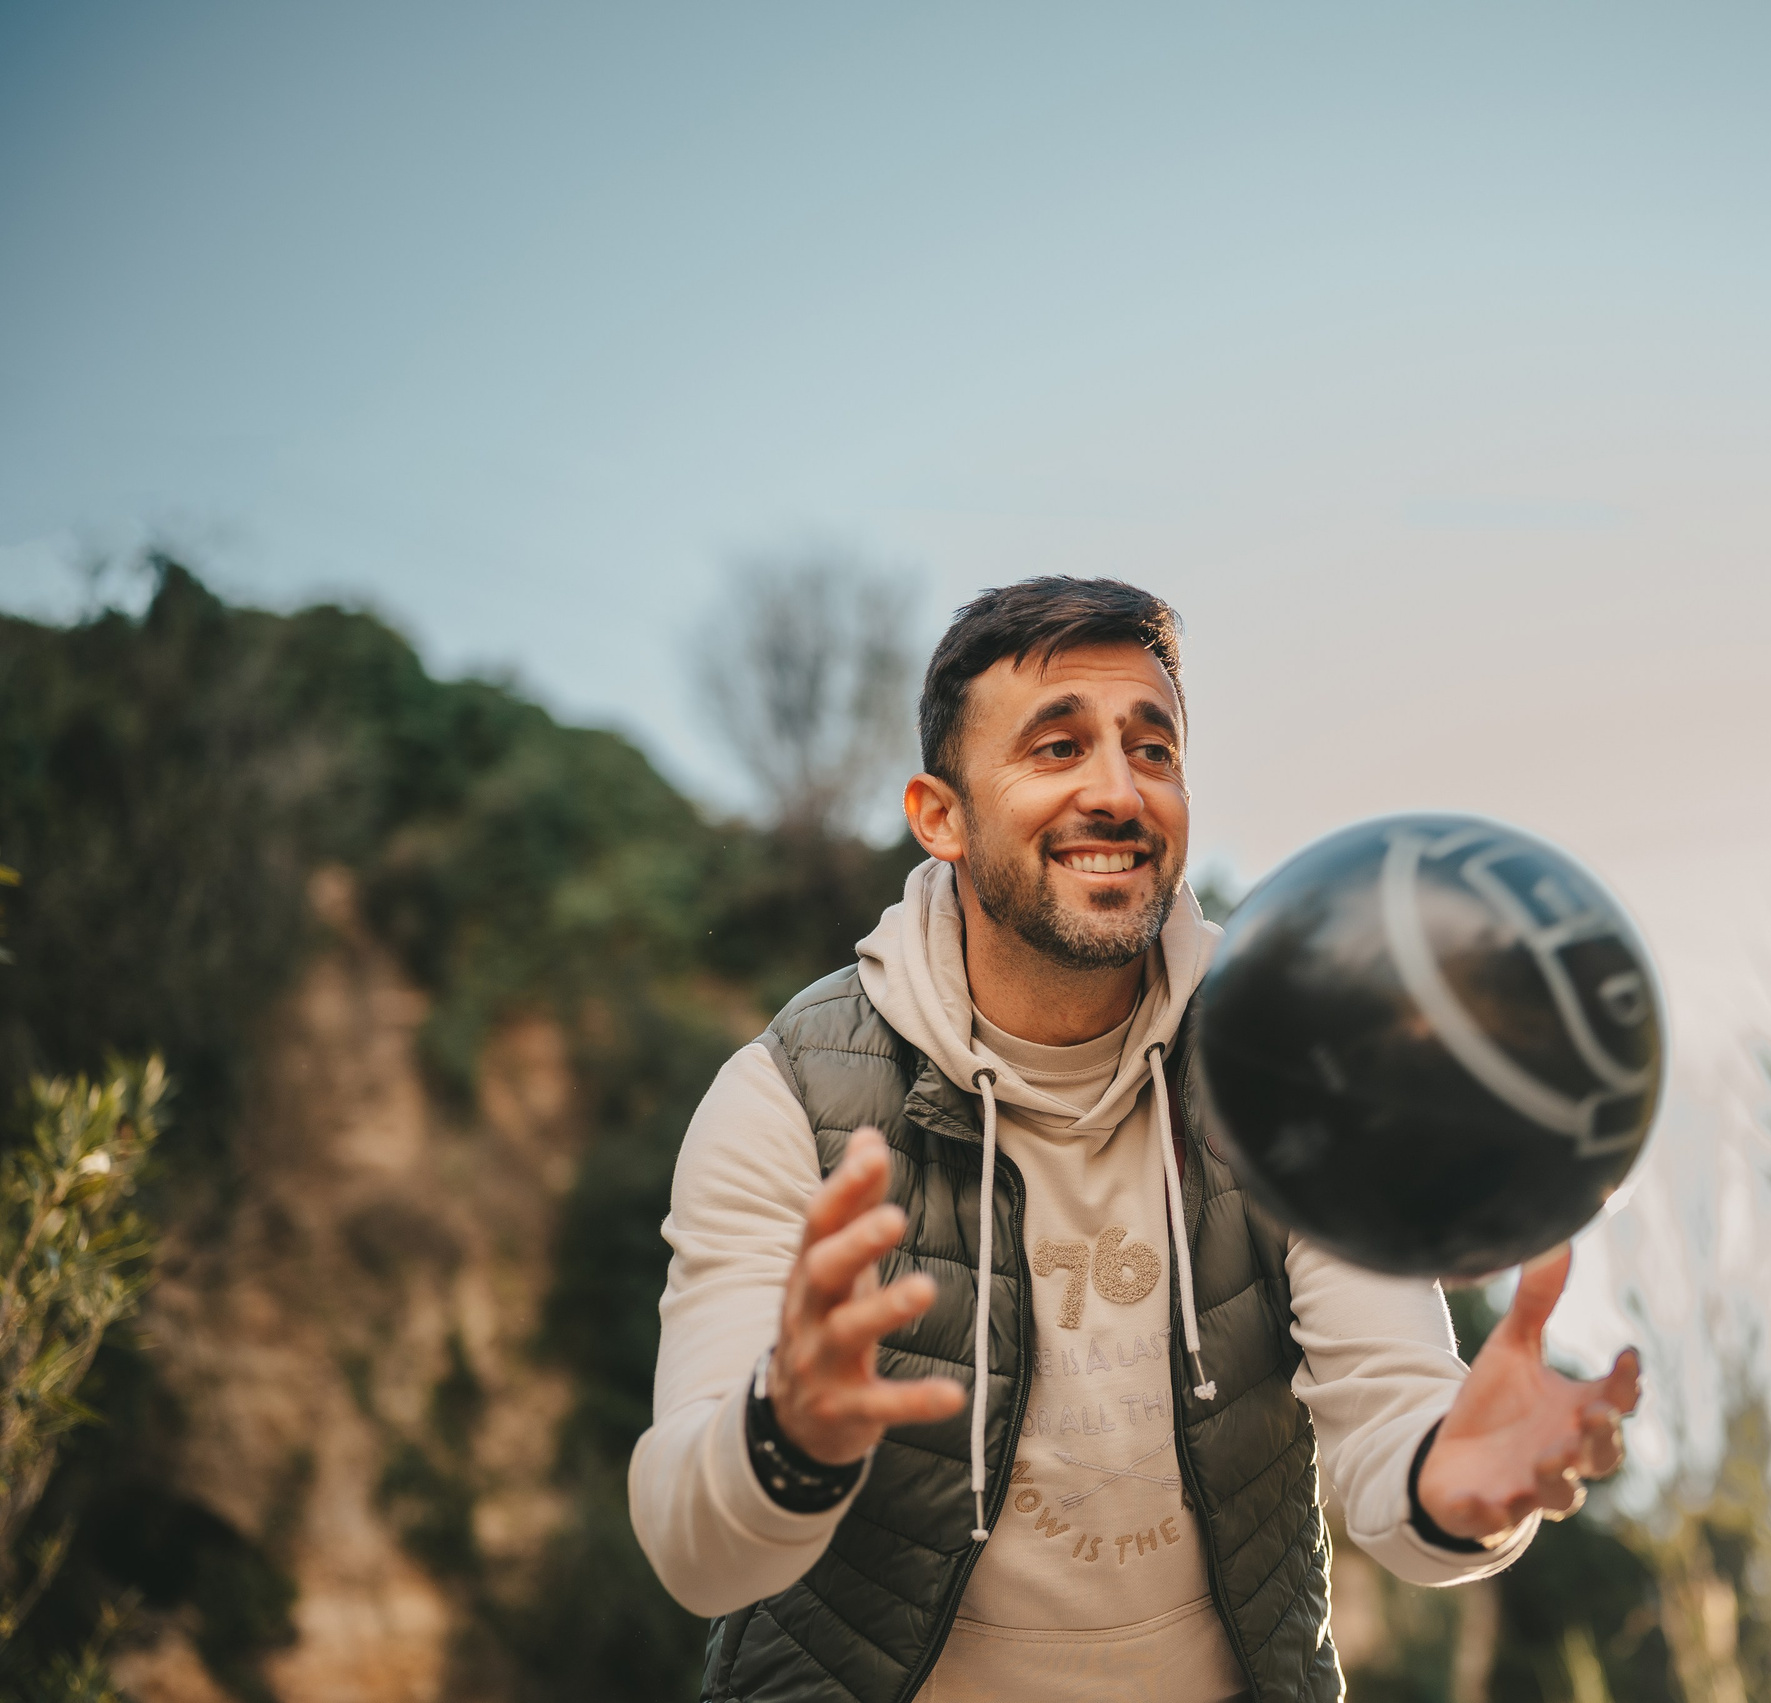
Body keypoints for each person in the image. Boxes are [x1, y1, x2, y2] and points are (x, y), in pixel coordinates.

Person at [630, 577, 1642, 1703]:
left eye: (1152, 750)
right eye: (1056, 748)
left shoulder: (1289, 1075)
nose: (1118, 790)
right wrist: (785, 1434)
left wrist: (1449, 1483)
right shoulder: (783, 1100)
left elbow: (1393, 1426)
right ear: (940, 814)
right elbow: (696, 1553)